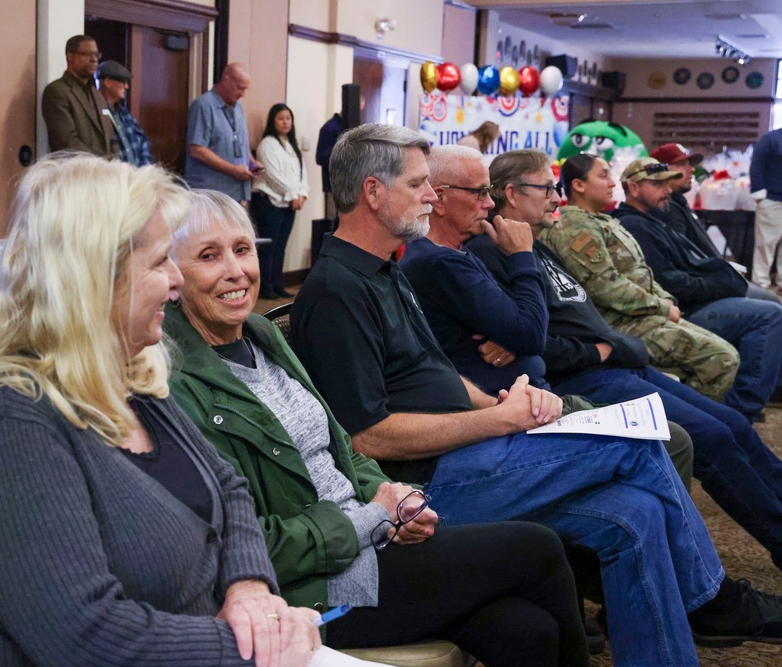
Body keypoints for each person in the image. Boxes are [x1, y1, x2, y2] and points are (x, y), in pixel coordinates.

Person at [290, 123, 782, 667]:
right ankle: (711, 600)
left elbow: (437, 376)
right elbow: (368, 434)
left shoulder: (388, 269)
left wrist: (502, 407)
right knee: (638, 444)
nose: (431, 195)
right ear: (373, 193)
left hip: (469, 455)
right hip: (424, 488)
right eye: (418, 184)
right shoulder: (338, 289)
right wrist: (501, 421)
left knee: (637, 513)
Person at [0, 155, 342, 667]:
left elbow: (228, 486)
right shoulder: (3, 420)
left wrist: (249, 587)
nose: (177, 281)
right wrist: (256, 648)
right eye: (161, 262)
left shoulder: (125, 372)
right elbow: (84, 637)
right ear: (97, 275)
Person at [164, 189, 590, 666]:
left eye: (242, 250)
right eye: (208, 256)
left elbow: (340, 447)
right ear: (169, 275)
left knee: (526, 630)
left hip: (367, 538)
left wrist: (393, 496)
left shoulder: (261, 334)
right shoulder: (175, 385)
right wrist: (372, 517)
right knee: (536, 546)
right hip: (313, 585)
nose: (236, 271)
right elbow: (244, 543)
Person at [415, 146, 782, 572]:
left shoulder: (533, 246)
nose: (556, 197)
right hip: (582, 376)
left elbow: (569, 316)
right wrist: (588, 342)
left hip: (613, 360)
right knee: (708, 436)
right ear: (513, 194)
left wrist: (610, 345)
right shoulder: (491, 251)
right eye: (547, 188)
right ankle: (716, 574)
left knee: (733, 423)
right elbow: (536, 334)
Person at [398, 145, 692, 487]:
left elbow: (523, 328)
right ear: (441, 198)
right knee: (672, 442)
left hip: (544, 397)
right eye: (479, 192)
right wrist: (522, 256)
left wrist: (516, 335)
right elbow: (532, 333)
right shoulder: (441, 261)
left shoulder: (460, 252)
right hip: (516, 413)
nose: (489, 203)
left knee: (676, 437)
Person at [541, 153, 741, 403]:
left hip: (642, 314)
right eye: (603, 176)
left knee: (725, 354)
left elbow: (641, 272)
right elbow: (605, 287)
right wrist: (661, 306)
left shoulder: (601, 221)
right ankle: (693, 427)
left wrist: (666, 301)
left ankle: (701, 420)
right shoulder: (574, 227)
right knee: (722, 359)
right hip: (619, 324)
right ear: (578, 185)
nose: (613, 183)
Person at [611, 156, 782, 421]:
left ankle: (746, 399)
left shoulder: (652, 219)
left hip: (691, 301)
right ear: (633, 189)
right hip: (682, 310)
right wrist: (721, 283)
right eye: (658, 185)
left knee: (768, 305)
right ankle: (740, 409)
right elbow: (671, 284)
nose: (668, 190)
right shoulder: (634, 226)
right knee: (769, 314)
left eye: (668, 184)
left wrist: (722, 277)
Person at [650, 143, 781, 304]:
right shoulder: (666, 209)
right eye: (680, 164)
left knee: (771, 300)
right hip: (703, 288)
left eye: (690, 163)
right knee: (771, 303)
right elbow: (686, 262)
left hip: (713, 278)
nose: (691, 169)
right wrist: (722, 276)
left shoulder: (678, 202)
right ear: (659, 173)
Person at [252, 104, 309, 299]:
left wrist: (302, 194)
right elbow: (273, 175)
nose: (285, 122)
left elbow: (302, 173)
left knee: (281, 246)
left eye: (288, 118)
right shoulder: (267, 144)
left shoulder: (292, 145)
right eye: (280, 118)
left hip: (289, 204)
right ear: (272, 121)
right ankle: (265, 287)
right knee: (269, 246)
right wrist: (293, 194)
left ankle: (277, 285)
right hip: (269, 202)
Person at [185, 63, 262, 204]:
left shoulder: (238, 108)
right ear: (226, 80)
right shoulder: (203, 105)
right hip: (210, 195)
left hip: (236, 193)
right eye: (240, 88)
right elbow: (197, 150)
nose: (243, 94)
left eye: (245, 89)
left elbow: (240, 142)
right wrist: (233, 170)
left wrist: (252, 163)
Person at [41, 35, 115, 156]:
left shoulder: (97, 93)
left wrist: (112, 163)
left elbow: (111, 138)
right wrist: (99, 164)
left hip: (104, 172)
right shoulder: (57, 91)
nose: (94, 59)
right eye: (87, 54)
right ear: (70, 56)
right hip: (75, 170)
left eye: (96, 55)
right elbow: (67, 141)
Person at [96, 60, 154, 167]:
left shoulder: (124, 114)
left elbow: (143, 142)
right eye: (123, 82)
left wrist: (145, 169)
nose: (126, 87)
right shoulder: (94, 113)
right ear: (107, 82)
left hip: (135, 178)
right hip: (113, 178)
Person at [750, 128, 782, 290]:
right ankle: (760, 284)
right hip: (772, 199)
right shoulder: (770, 139)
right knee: (766, 243)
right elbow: (757, 164)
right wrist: (759, 193)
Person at [316, 112, 345, 221]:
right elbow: (321, 157)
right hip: (334, 186)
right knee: (333, 223)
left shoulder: (352, 126)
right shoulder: (329, 128)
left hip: (352, 186)